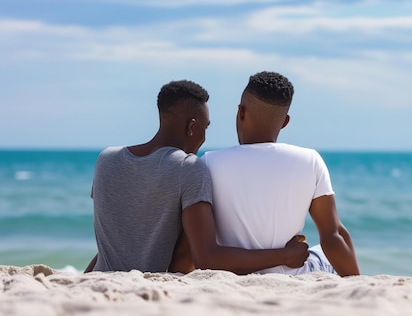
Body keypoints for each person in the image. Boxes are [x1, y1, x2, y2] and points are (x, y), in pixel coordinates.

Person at [85, 80, 309, 274]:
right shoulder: (187, 167)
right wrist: (286, 255)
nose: (204, 137)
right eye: (206, 127)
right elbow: (207, 257)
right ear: (192, 127)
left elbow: (110, 243)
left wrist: (83, 280)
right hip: (147, 285)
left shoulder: (106, 159)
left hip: (100, 277)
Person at [201, 71, 360, 277]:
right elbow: (333, 236)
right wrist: (358, 282)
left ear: (241, 112)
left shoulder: (209, 162)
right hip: (292, 275)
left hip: (232, 275)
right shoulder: (310, 160)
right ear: (285, 121)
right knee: (322, 251)